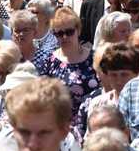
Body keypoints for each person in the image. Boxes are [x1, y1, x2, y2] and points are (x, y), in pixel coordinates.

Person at [41, 7, 99, 139]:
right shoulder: (49, 62)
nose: (65, 37)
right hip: (62, 130)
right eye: (59, 33)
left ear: (78, 30)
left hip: (93, 125)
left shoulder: (95, 58)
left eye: (69, 32)